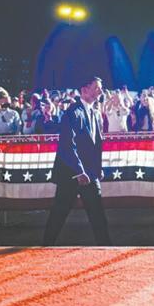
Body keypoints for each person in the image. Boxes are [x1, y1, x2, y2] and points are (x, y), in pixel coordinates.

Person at [42, 76, 113, 246]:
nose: (100, 91)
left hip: (90, 173)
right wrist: (79, 171)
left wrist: (97, 168)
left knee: (97, 214)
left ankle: (106, 247)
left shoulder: (95, 113)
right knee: (59, 213)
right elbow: (68, 144)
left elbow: (96, 144)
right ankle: (45, 246)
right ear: (84, 90)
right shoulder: (73, 112)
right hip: (71, 173)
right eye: (97, 88)